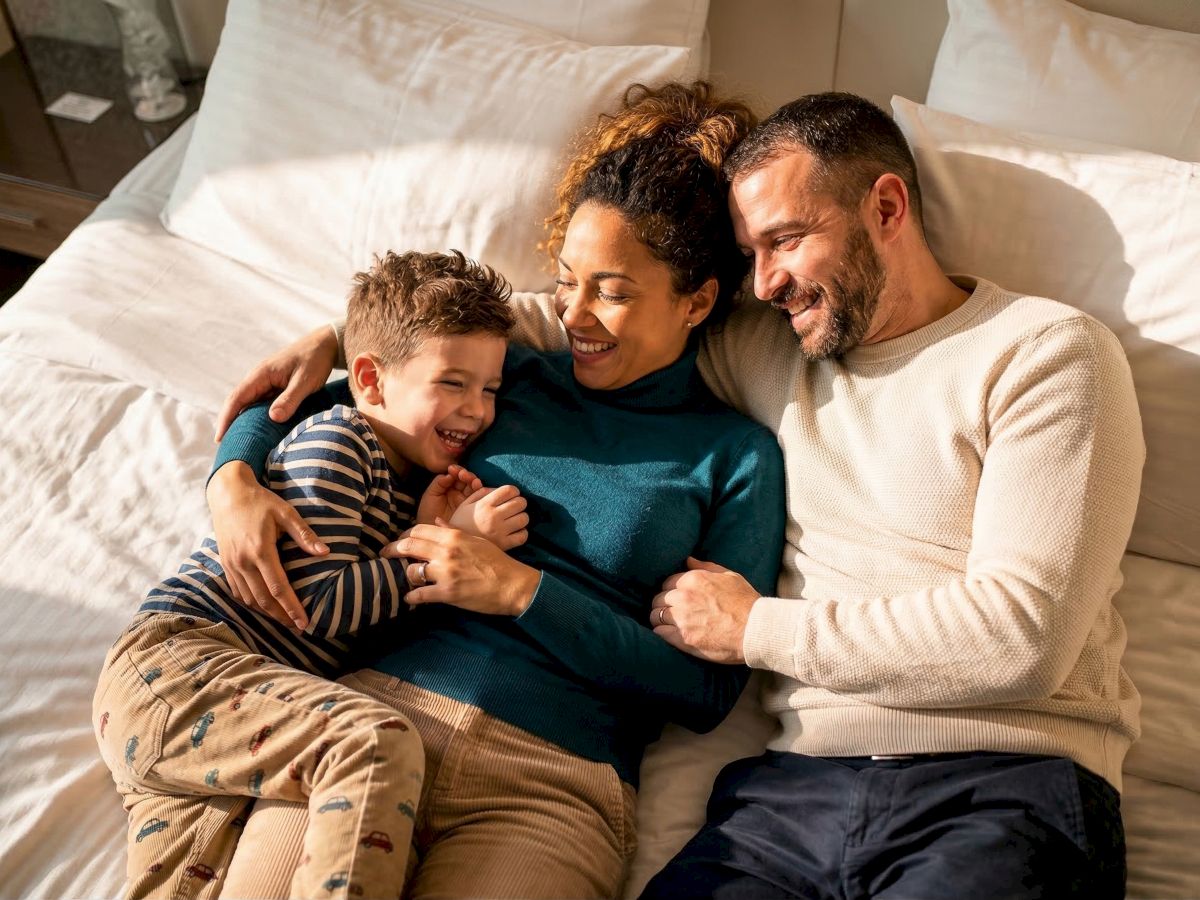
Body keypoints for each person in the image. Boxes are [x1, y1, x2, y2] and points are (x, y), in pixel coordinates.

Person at [206, 82, 786, 898]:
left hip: (550, 786)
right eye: (566, 279)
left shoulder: (735, 457)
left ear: (696, 301)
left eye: (612, 292)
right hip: (364, 726)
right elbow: (319, 400)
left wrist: (519, 590)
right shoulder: (502, 377)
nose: (573, 314)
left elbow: (706, 690)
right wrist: (231, 476)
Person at [635, 93, 1144, 897]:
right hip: (787, 800)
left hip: (1003, 791)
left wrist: (756, 628)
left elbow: (1023, 636)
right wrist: (380, 346)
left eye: (787, 240)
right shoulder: (767, 349)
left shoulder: (1044, 353)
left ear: (885, 206)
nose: (765, 283)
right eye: (749, 253)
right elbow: (602, 328)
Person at [92, 249, 526, 900]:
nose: (477, 410)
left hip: (214, 704)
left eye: (489, 389)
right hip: (183, 665)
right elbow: (318, 605)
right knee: (375, 742)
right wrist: (448, 545)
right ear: (372, 381)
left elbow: (355, 598)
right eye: (453, 382)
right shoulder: (341, 438)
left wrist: (419, 529)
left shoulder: (397, 476)